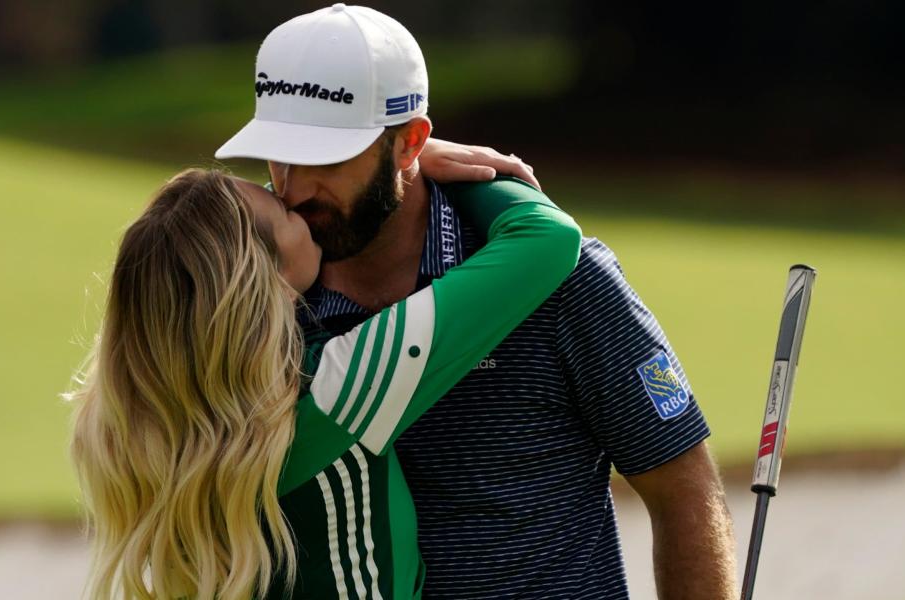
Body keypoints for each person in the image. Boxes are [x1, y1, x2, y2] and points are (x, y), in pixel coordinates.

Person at [215, 4, 738, 600]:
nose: (295, 187)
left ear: (409, 142)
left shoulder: (565, 283)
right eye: (280, 156)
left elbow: (682, 486)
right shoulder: (253, 291)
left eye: (328, 159)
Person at [68, 156, 581, 599]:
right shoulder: (334, 391)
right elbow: (547, 238)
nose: (299, 203)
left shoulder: (119, 428)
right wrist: (410, 163)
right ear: (260, 274)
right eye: (284, 210)